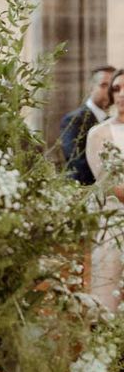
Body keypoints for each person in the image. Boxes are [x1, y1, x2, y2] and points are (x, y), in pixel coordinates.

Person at [86, 67, 124, 311]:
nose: (121, 94)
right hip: (114, 225)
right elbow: (111, 185)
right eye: (117, 89)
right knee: (106, 300)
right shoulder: (99, 133)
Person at [60, 65, 115, 184]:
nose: (109, 91)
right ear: (91, 87)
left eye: (113, 87)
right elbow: (76, 163)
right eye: (104, 85)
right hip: (84, 192)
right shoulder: (74, 120)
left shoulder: (114, 121)